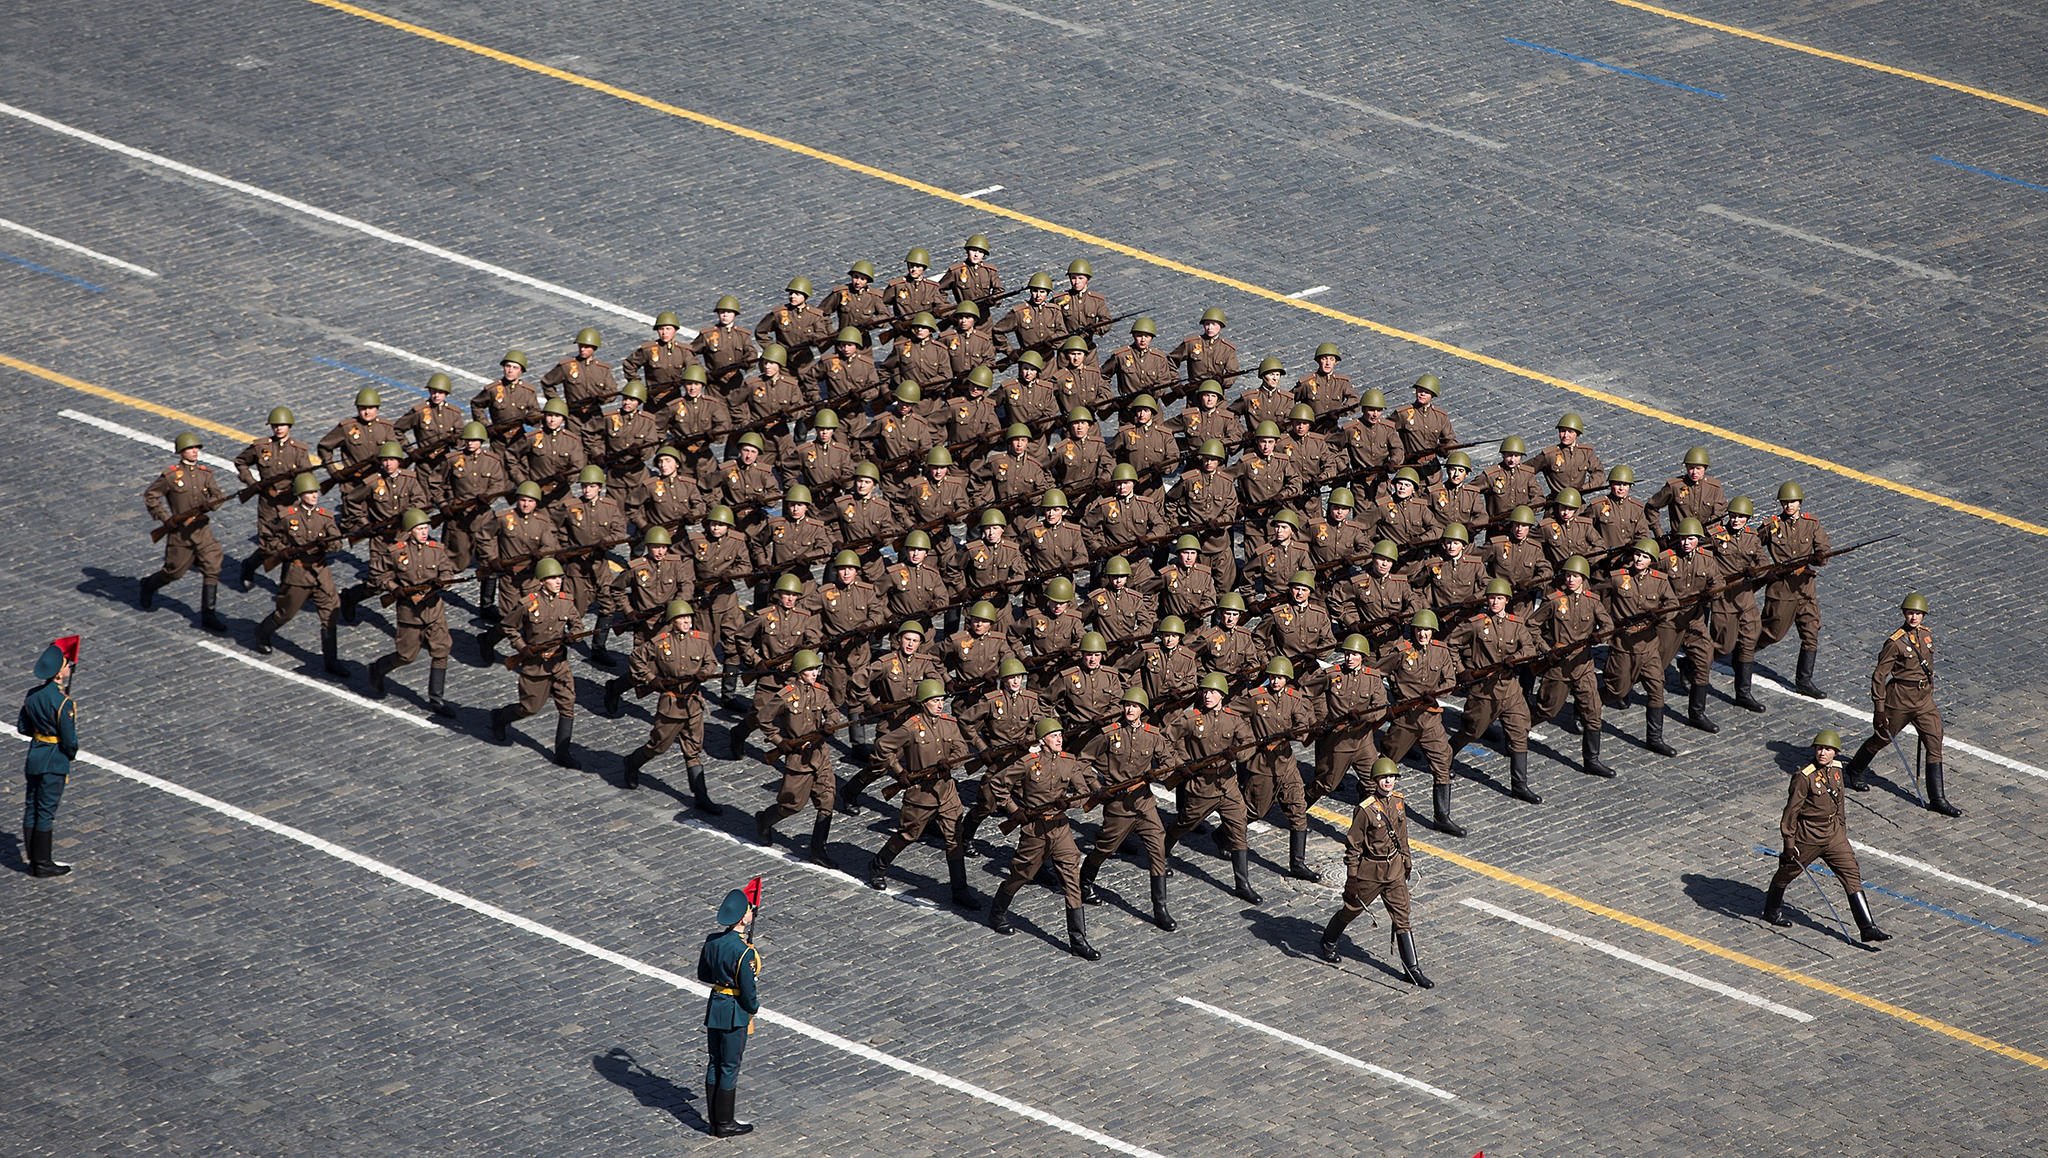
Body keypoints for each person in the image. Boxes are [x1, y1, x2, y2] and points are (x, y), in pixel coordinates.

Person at [984, 717, 1101, 960]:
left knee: (1071, 879)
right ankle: (997, 913)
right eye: (1054, 736)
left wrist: (1068, 802)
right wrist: (1014, 811)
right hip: (1034, 831)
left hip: (1060, 828)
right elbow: (998, 783)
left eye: (1060, 735)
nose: (1059, 739)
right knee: (1021, 874)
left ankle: (1078, 940)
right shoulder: (1028, 762)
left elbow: (1084, 793)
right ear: (1043, 741)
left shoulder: (1069, 762)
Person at [1762, 730, 1891, 944]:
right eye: (1820, 748)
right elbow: (1791, 813)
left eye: (1828, 749)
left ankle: (1868, 927)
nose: (1823, 753)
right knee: (1786, 873)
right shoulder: (1804, 776)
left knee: (1851, 874)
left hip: (1833, 835)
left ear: (1836, 753)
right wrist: (1789, 844)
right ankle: (1771, 910)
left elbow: (1839, 803)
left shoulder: (1838, 770)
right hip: (1809, 836)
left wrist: (1841, 829)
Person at [1316, 759, 1433, 987]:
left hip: (1395, 870)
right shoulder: (1365, 810)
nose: (1388, 781)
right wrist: (1352, 878)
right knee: (1351, 910)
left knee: (1402, 917)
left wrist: (1406, 861)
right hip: (1371, 872)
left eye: (1392, 777)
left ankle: (1412, 969)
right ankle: (1328, 941)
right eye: (1383, 778)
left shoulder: (1399, 802)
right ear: (1376, 781)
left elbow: (1402, 835)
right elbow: (1353, 845)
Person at [1840, 593, 1958, 816]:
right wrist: (1879, 708)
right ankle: (1855, 768)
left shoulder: (1926, 636)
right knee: (1882, 738)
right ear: (1904, 614)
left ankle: (1938, 799)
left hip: (1923, 700)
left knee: (1935, 742)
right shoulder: (1895, 643)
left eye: (1918, 613)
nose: (1914, 617)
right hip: (1900, 699)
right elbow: (1879, 675)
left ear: (1924, 615)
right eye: (1910, 613)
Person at [866, 680, 979, 909]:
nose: (939, 705)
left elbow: (961, 749)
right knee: (908, 834)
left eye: (941, 701)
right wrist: (899, 772)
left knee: (954, 839)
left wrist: (951, 763)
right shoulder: (911, 727)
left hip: (946, 793)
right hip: (921, 795)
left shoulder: (949, 723)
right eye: (935, 701)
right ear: (924, 703)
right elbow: (882, 746)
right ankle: (877, 866)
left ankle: (960, 890)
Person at [1078, 688, 1177, 930]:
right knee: (1104, 848)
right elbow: (1082, 760)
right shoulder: (1110, 734)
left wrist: (1160, 771)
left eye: (1134, 706)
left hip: (1144, 803)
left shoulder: (1153, 735)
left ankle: (1160, 908)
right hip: (1118, 805)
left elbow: (1170, 761)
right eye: (1126, 705)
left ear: (1142, 710)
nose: (1129, 710)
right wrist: (1097, 786)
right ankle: (1085, 882)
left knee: (1157, 852)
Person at [617, 600, 721, 802]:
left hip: (693, 704)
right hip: (671, 706)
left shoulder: (700, 640)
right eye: (681, 618)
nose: (686, 621)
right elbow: (637, 658)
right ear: (672, 621)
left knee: (693, 750)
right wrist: (652, 679)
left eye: (688, 617)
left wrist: (704, 673)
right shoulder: (660, 642)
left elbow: (711, 662)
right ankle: (632, 763)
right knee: (658, 746)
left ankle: (702, 797)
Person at [752, 650, 847, 866]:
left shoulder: (820, 691)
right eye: (811, 670)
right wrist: (780, 742)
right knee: (791, 805)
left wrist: (829, 725)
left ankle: (817, 850)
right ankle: (764, 820)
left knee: (827, 800)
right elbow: (763, 719)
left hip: (820, 755)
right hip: (798, 759)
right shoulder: (786, 695)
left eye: (816, 669)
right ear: (800, 671)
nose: (815, 673)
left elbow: (832, 712)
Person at [488, 557, 583, 768]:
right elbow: (508, 626)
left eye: (559, 577)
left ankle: (562, 753)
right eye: (552, 578)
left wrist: (574, 635)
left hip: (559, 664)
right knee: (529, 707)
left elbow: (578, 625)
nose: (558, 581)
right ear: (541, 581)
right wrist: (522, 648)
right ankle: (500, 717)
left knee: (567, 706)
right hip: (535, 666)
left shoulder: (566, 602)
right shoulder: (528, 603)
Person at [367, 509, 456, 715]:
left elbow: (447, 571)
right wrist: (393, 588)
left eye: (426, 528)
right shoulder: (396, 552)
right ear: (410, 531)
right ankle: (378, 668)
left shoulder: (436, 549)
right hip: (410, 614)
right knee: (406, 656)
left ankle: (436, 699)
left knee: (441, 651)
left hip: (433, 611)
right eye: (420, 529)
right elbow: (378, 573)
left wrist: (442, 582)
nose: (424, 532)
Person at [139, 432, 229, 632]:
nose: (195, 451)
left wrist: (212, 504)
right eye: (190, 448)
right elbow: (151, 495)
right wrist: (166, 519)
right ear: (181, 452)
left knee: (213, 567)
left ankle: (208, 615)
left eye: (197, 448)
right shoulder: (171, 476)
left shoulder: (206, 474)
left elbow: (218, 495)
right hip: (181, 533)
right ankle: (148, 585)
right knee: (174, 572)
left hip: (202, 530)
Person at [1757, 481, 1831, 698]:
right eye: (1785, 502)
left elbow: (1823, 550)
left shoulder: (1811, 524)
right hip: (1782, 590)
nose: (1789, 506)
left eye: (1793, 502)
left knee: (1811, 632)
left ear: (1800, 503)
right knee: (1772, 634)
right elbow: (1752, 546)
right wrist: (1765, 568)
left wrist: (1820, 557)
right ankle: (1742, 650)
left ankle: (1804, 680)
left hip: (1805, 589)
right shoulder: (1772, 526)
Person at [697, 887, 760, 1137]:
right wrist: (753, 1007)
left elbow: (703, 974)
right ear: (743, 918)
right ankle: (725, 1123)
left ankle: (714, 1120)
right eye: (749, 911)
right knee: (730, 1065)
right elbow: (748, 991)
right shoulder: (743, 953)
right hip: (735, 1011)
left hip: (715, 1007)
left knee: (714, 1061)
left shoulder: (713, 941)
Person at [18, 637, 79, 878]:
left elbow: (23, 727)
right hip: (54, 760)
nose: (69, 669)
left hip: (35, 755)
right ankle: (43, 863)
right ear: (58, 673)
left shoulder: (32, 695)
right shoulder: (63, 703)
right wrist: (70, 754)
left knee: (31, 806)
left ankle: (34, 859)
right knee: (46, 811)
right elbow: (70, 740)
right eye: (67, 665)